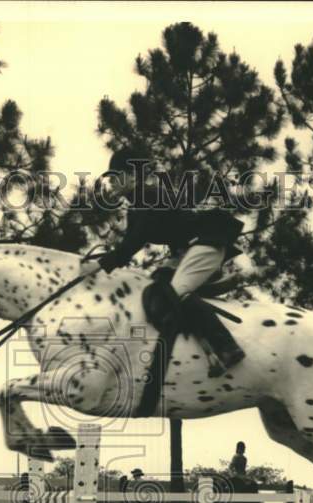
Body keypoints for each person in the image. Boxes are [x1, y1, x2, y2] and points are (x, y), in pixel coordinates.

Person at [84, 149, 247, 374]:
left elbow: (131, 245)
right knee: (157, 290)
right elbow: (128, 244)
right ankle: (207, 351)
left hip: (204, 244)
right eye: (110, 178)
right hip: (186, 251)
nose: (111, 182)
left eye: (115, 176)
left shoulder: (148, 196)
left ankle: (227, 347)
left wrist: (100, 265)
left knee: (174, 293)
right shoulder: (137, 205)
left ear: (133, 176)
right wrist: (106, 260)